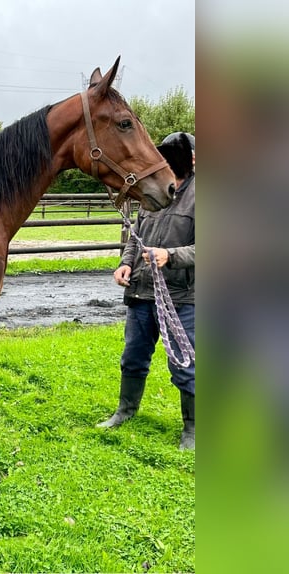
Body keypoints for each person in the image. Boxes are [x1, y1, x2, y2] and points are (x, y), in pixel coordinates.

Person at [96, 132, 195, 450]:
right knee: (133, 356)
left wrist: (172, 256)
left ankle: (193, 429)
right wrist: (125, 263)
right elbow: (136, 234)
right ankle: (126, 410)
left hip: (182, 296)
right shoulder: (151, 192)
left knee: (185, 362)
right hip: (141, 292)